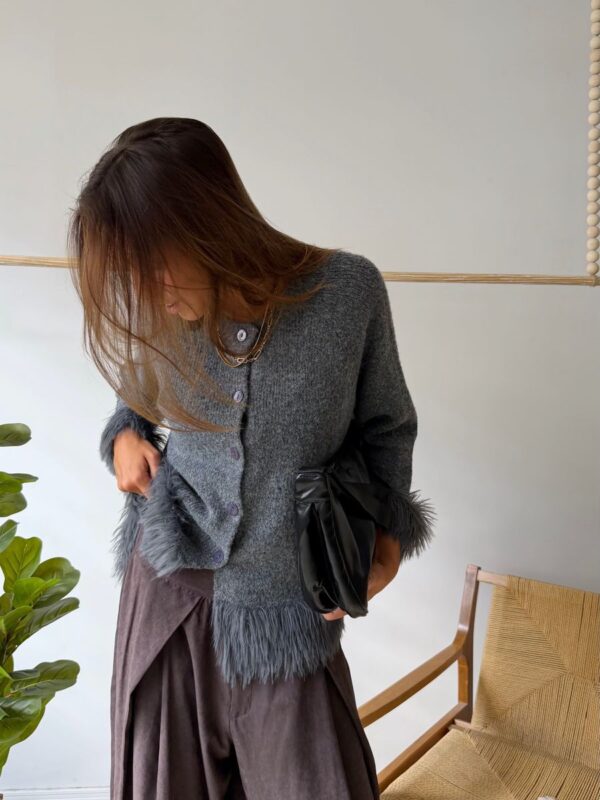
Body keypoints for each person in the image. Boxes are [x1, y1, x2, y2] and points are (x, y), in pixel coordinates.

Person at [67, 116, 435, 800]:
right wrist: (123, 438)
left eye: (154, 266)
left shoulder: (347, 295)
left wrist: (385, 544)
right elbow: (135, 400)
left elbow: (388, 429)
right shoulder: (159, 306)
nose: (146, 292)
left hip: (285, 612)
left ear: (209, 222)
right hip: (167, 598)